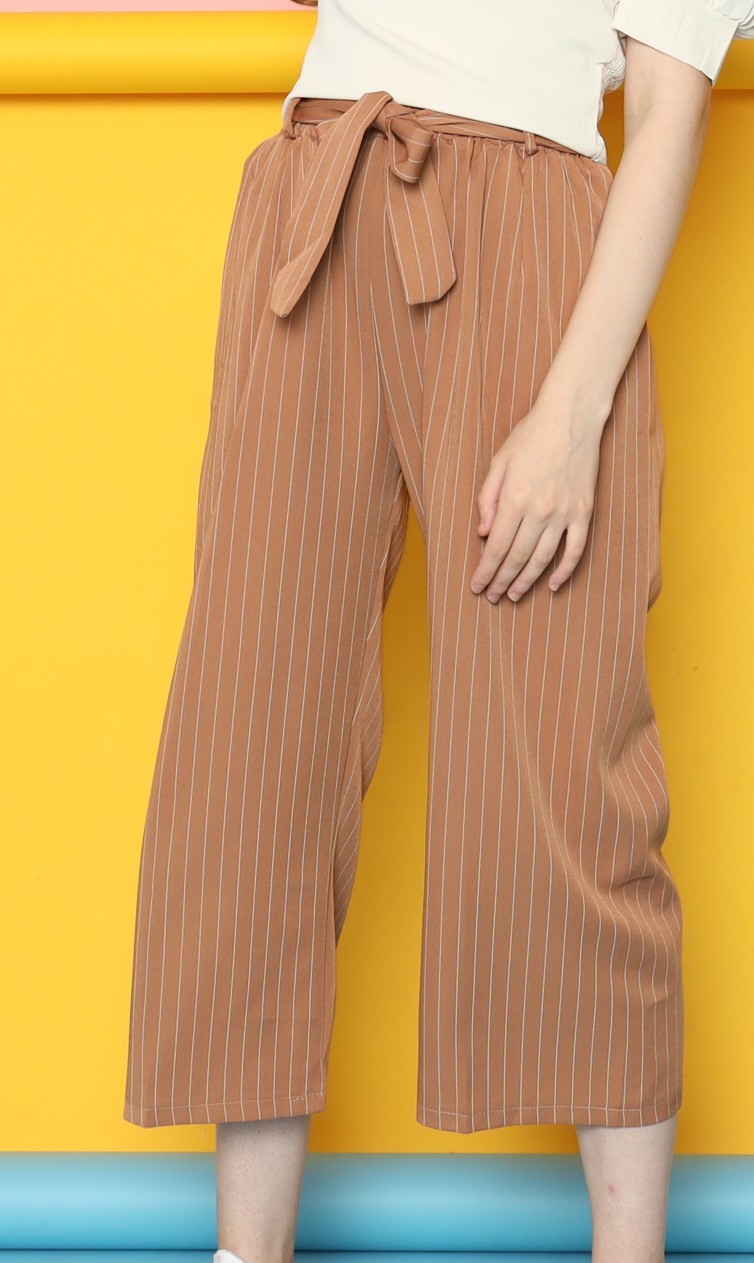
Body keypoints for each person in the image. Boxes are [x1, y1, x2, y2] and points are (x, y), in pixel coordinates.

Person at [121, 2, 754, 1262]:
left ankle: (629, 1254)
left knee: (558, 760)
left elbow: (669, 109)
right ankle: (247, 1252)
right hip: (315, 193)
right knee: (250, 746)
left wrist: (571, 417)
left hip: (527, 229)